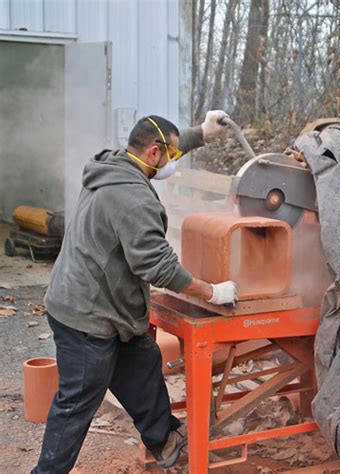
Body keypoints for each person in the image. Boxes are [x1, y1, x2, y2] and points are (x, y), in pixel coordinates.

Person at [32, 111, 237, 473]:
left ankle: (162, 438)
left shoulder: (112, 163)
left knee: (142, 361)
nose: (173, 163)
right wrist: (211, 293)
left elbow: (163, 146)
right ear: (154, 153)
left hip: (105, 304)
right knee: (78, 401)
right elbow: (157, 266)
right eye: (171, 156)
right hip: (86, 316)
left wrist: (201, 134)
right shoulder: (133, 198)